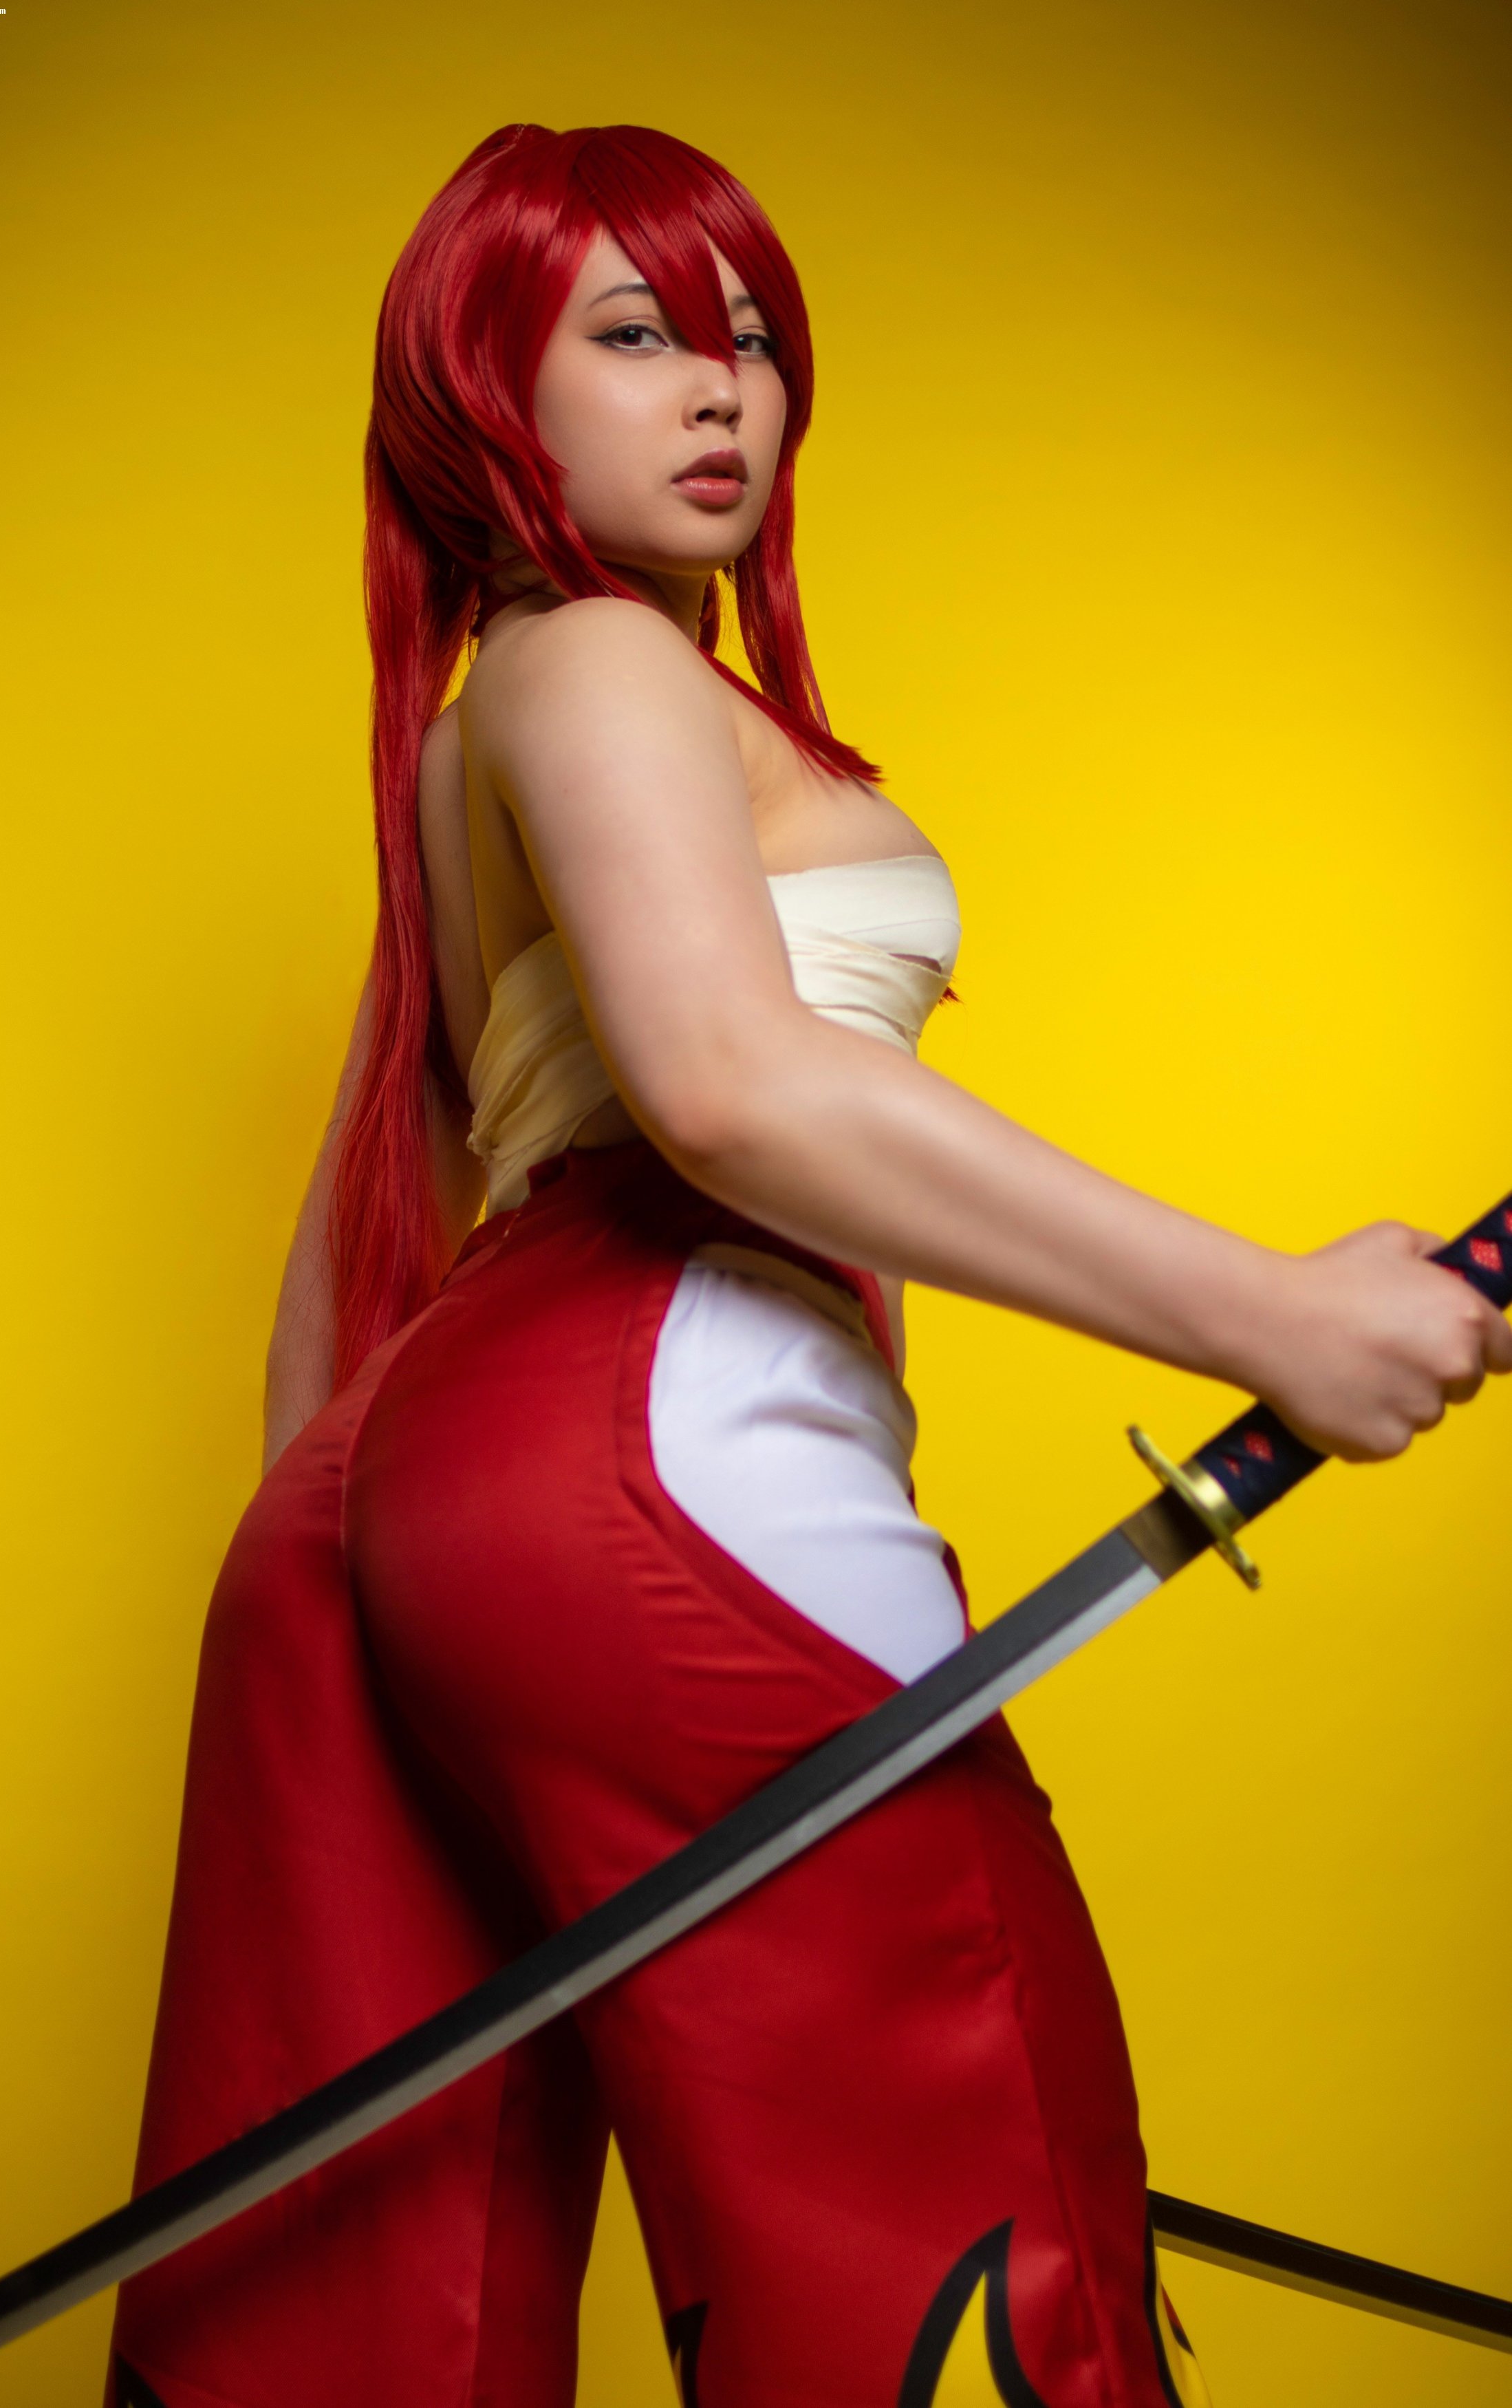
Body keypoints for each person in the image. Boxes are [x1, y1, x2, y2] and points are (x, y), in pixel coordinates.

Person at [107, 122, 1509, 2408]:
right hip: (656, 1438)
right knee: (955, 2130)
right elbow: (731, 1086)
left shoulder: (481, 733)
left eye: (751, 339)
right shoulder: (597, 664)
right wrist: (1276, 1312)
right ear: (481, 387)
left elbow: (371, 1230)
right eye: (635, 333)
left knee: (391, 2276)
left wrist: (339, 1603)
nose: (720, 387)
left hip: (426, 1480)